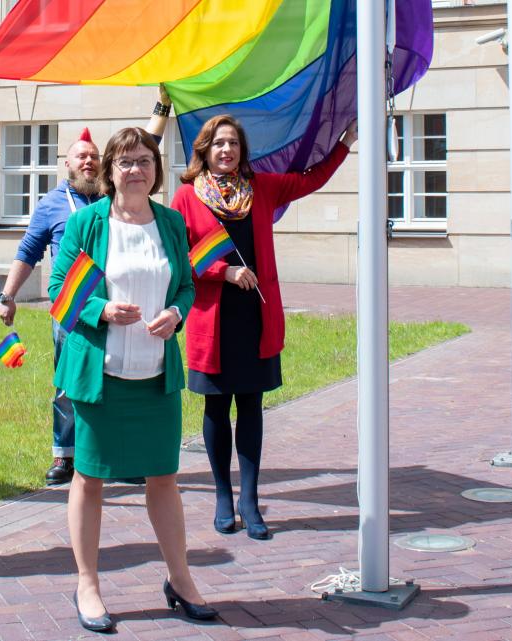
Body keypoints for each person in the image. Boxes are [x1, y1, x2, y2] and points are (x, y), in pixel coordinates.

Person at [50, 127, 215, 633]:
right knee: (90, 478)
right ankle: (88, 584)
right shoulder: (89, 224)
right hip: (101, 376)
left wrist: (176, 313)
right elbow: (58, 289)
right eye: (124, 162)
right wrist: (100, 309)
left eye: (144, 160)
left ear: (156, 169)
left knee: (164, 477)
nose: (135, 170)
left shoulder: (169, 222)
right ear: (109, 171)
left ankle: (181, 579)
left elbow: (186, 284)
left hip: (155, 376)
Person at [172, 115, 358, 541]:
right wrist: (224, 272)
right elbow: (180, 255)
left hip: (255, 319)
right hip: (212, 321)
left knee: (251, 409)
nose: (226, 151)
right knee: (216, 410)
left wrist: (345, 142)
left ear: (242, 150)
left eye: (233, 144)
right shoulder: (186, 197)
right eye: (219, 143)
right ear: (204, 149)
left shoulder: (262, 189)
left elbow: (310, 179)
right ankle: (222, 496)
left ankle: (250, 500)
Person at [0, 86, 175, 487]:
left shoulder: (110, 199)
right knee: (69, 384)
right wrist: (8, 296)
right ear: (68, 164)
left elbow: (142, 151)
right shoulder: (53, 205)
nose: (89, 162)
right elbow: (28, 251)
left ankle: (123, 458)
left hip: (120, 302)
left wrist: (161, 108)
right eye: (82, 156)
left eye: (95, 157)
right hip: (72, 306)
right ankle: (66, 454)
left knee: (118, 386)